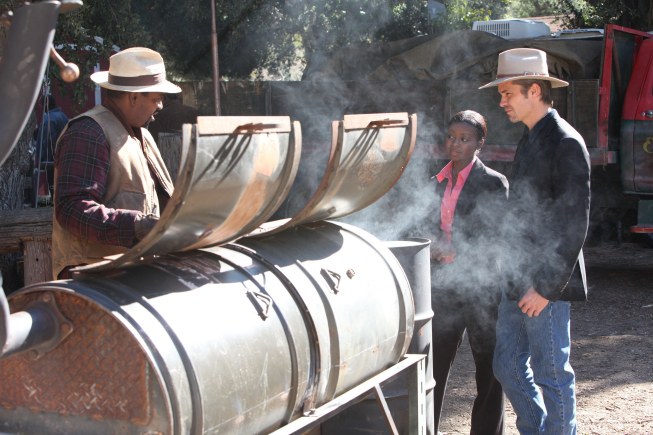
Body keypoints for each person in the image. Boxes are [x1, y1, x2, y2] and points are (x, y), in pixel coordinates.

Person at [479, 48, 591, 435]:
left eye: (508, 92)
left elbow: (573, 224)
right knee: (506, 366)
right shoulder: (530, 137)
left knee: (552, 374)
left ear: (535, 91)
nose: (501, 100)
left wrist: (544, 289)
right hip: (517, 279)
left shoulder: (566, 142)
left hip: (546, 285)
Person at [52, 47, 179, 279]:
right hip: (92, 284)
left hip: (130, 276)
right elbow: (71, 208)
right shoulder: (88, 132)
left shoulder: (143, 135)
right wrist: (136, 226)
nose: (160, 106)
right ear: (133, 97)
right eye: (157, 98)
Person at [428, 111, 508, 435]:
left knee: (489, 372)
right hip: (443, 285)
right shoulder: (437, 180)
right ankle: (425, 427)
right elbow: (426, 224)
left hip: (481, 287)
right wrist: (431, 242)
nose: (455, 144)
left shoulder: (493, 182)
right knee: (431, 367)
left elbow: (496, 236)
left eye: (464, 139)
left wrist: (455, 248)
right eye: (451, 137)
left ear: (480, 144)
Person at [36, 95, 69, 197]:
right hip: (65, 158)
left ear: (46, 104)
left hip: (52, 161)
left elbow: (49, 140)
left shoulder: (49, 119)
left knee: (54, 190)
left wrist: (48, 159)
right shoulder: (63, 116)